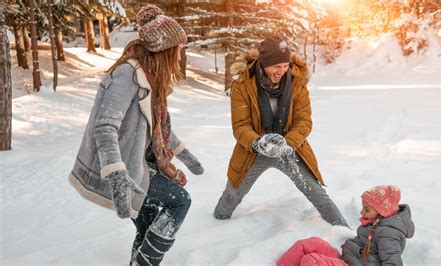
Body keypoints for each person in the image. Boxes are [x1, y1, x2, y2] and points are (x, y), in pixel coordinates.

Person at [68, 5, 198, 265]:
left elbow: (154, 126)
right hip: (126, 169)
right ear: (165, 49)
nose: (181, 53)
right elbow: (105, 127)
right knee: (180, 202)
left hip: (141, 163)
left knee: (147, 223)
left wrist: (184, 153)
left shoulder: (151, 77)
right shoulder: (128, 74)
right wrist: (117, 174)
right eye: (179, 48)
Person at [213, 36, 348, 227]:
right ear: (264, 63)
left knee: (316, 191)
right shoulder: (243, 85)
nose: (282, 71)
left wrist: (288, 143)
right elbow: (240, 125)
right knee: (232, 194)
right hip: (254, 151)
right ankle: (214, 225)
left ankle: (343, 231)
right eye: (276, 66)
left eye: (285, 65)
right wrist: (258, 143)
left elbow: (304, 121)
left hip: (288, 149)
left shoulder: (297, 83)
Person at [277, 185, 415, 265]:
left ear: (382, 212)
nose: (361, 212)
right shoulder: (376, 223)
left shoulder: (389, 234)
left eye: (366, 210)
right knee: (310, 244)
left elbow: (393, 261)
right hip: (348, 259)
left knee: (311, 261)